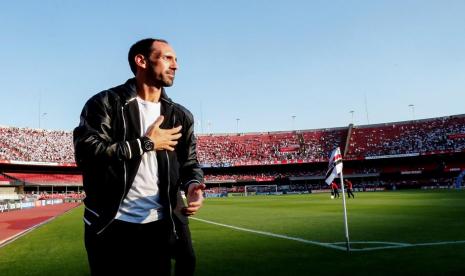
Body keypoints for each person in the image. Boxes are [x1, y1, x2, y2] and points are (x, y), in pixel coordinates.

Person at [73, 38, 205, 276]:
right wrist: (145, 143)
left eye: (176, 60)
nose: (175, 65)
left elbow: (189, 162)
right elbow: (86, 153)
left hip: (160, 224)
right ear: (141, 61)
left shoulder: (180, 115)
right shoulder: (105, 104)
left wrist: (194, 184)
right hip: (112, 225)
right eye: (167, 57)